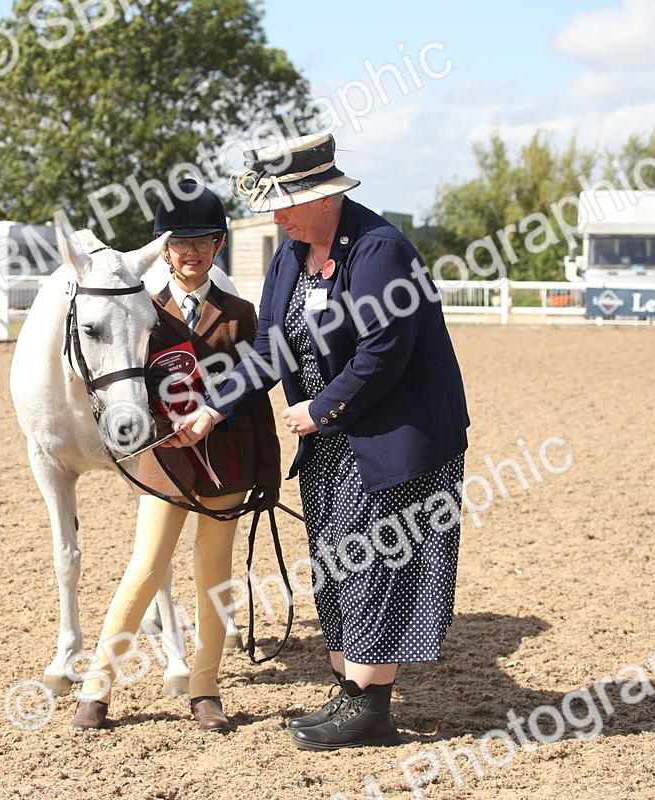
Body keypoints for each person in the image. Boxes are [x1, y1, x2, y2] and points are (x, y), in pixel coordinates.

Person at [169, 134, 470, 750]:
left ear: (324, 198)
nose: (274, 216)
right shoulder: (291, 253)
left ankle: (370, 709)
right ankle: (349, 695)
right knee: (338, 565)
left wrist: (323, 407)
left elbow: (384, 352)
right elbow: (268, 351)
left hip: (395, 437)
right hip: (335, 438)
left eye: (283, 204)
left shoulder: (379, 249)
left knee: (378, 564)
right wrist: (211, 412)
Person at [71, 179, 282, 732]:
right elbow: (127, 386)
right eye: (180, 244)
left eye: (203, 242)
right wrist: (165, 428)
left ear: (219, 246)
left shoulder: (239, 313)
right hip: (166, 462)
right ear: (163, 250)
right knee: (145, 569)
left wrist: (266, 474)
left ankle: (205, 688)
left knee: (215, 574)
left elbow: (254, 394)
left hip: (227, 463)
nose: (191, 254)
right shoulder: (143, 311)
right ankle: (97, 685)